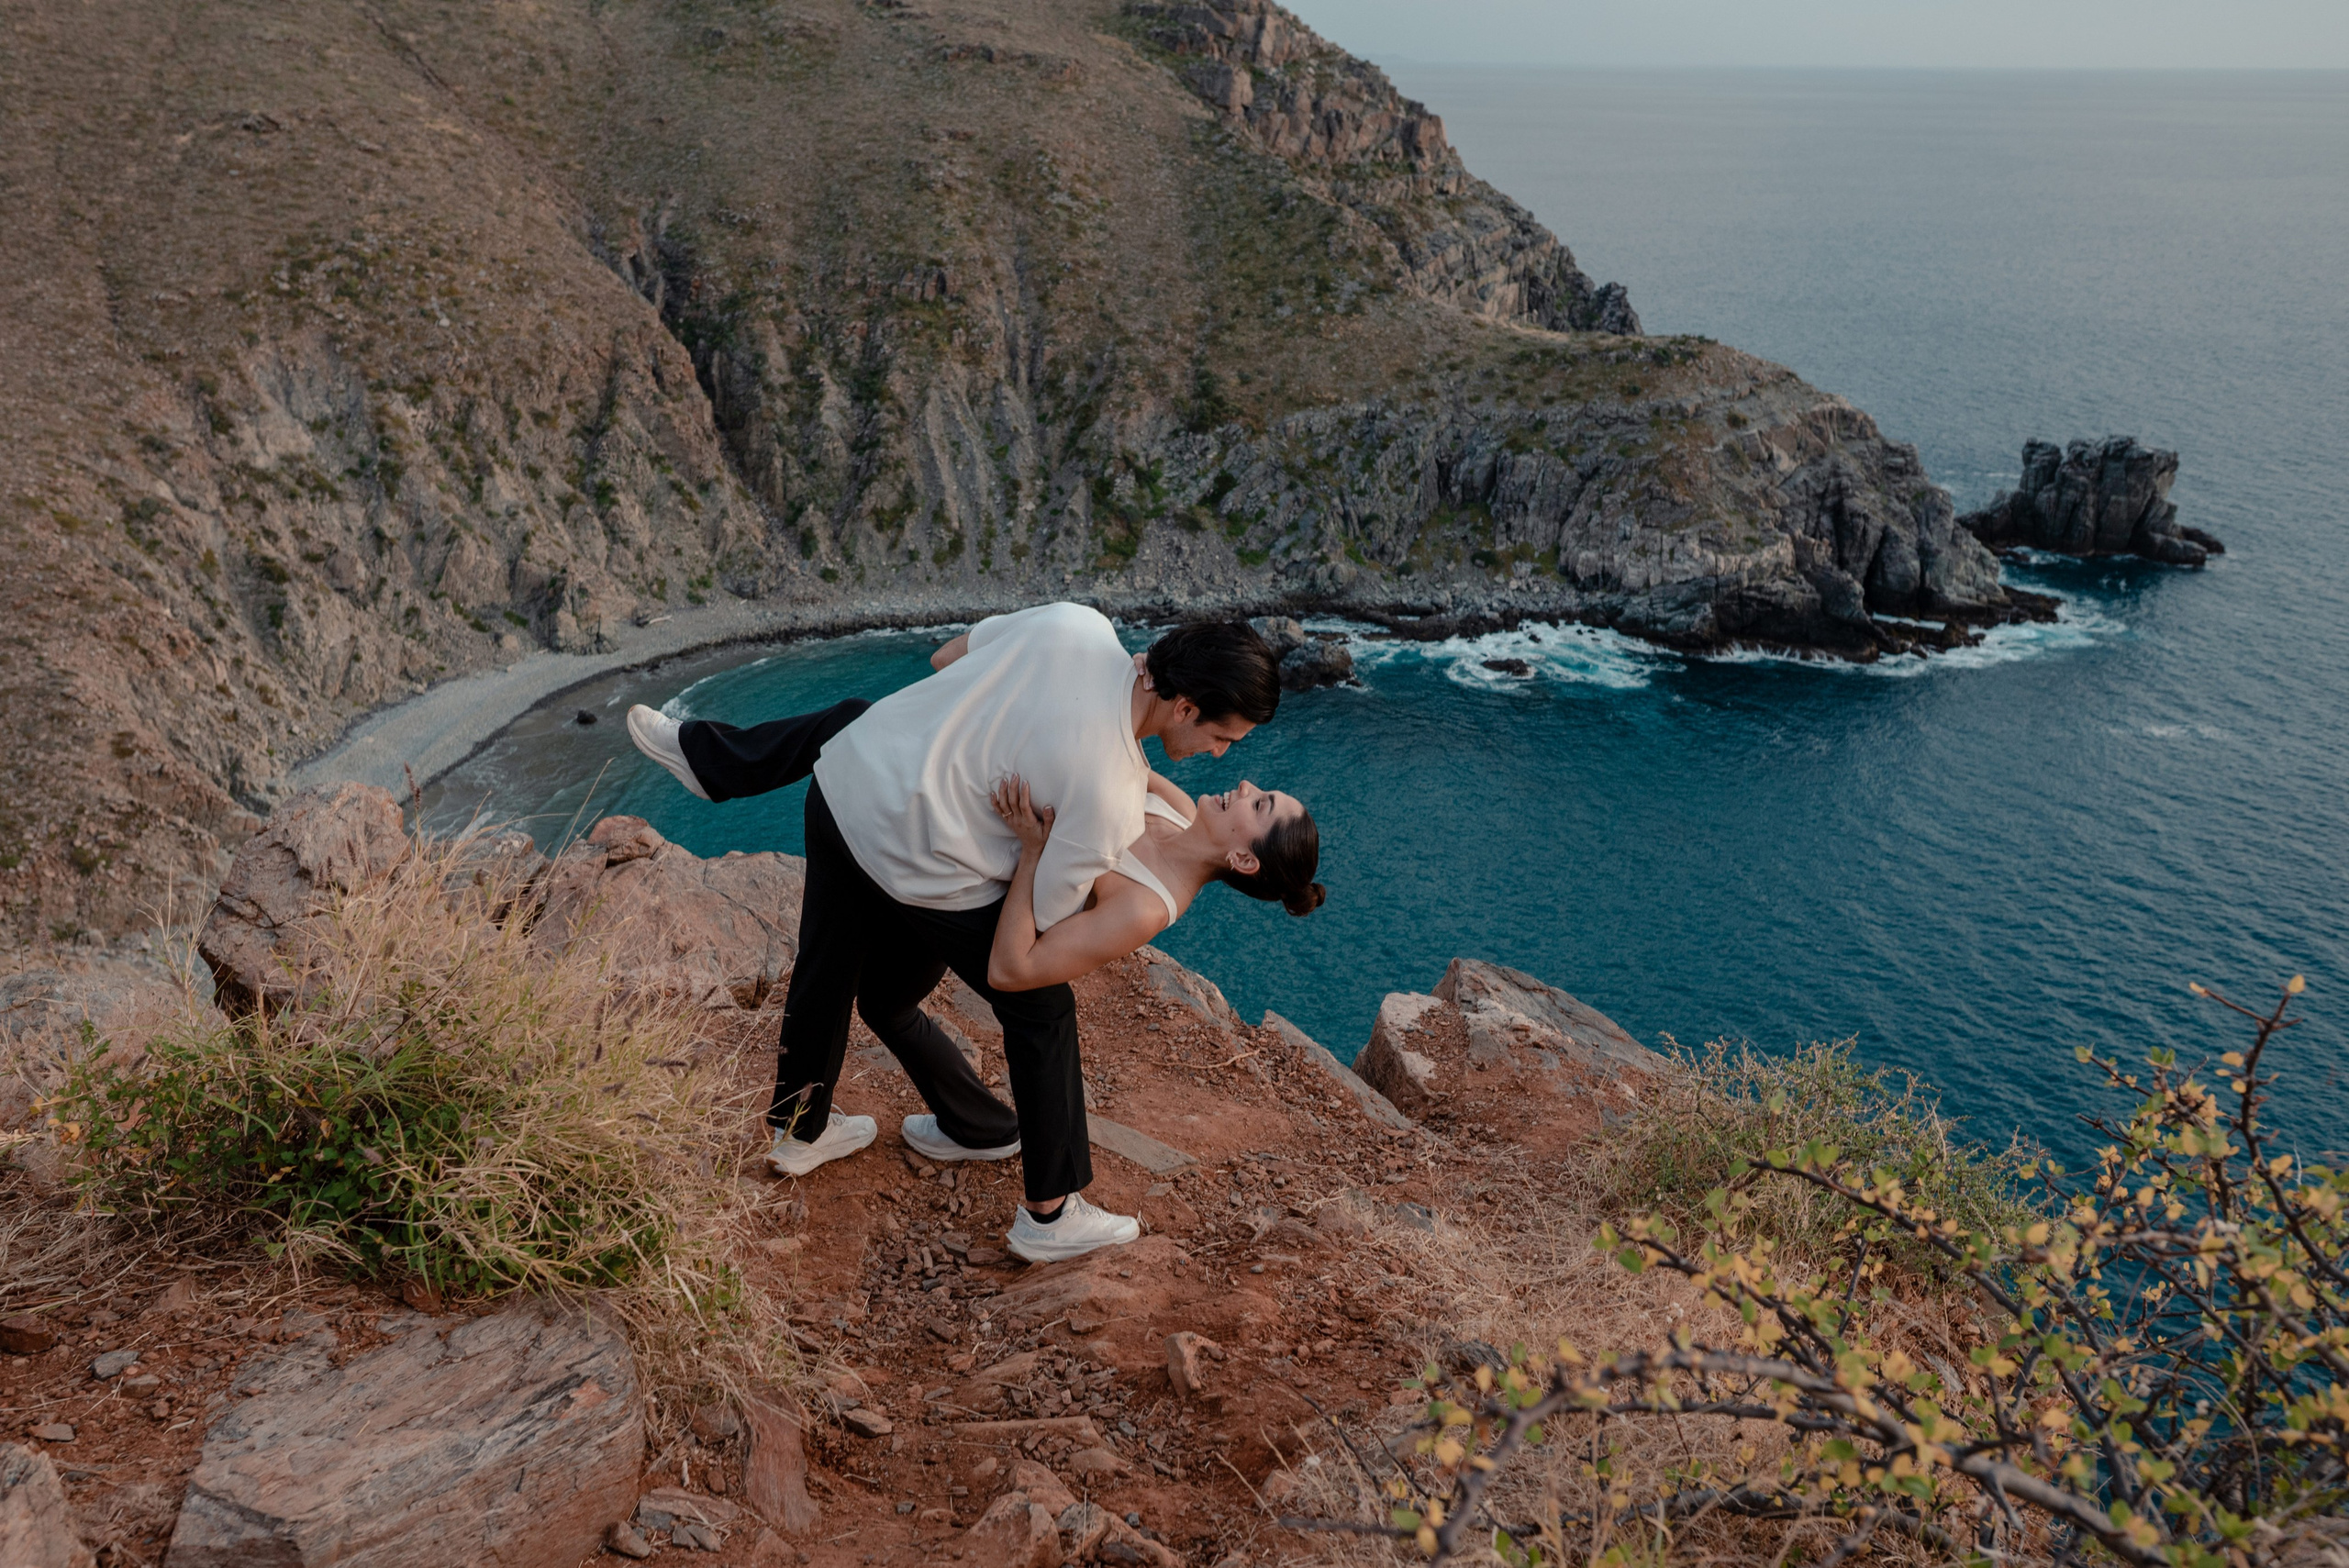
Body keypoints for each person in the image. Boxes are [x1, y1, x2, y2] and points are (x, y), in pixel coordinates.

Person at [624, 604, 1311, 1262]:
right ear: (1187, 707)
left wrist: (976, 745)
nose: (1224, 758)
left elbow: (947, 656)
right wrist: (1036, 838)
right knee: (1042, 1007)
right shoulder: (1110, 799)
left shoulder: (1079, 624)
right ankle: (1051, 1212)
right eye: (1224, 737)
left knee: (835, 957)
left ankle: (802, 1127)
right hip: (915, 856)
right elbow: (1032, 929)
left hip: (844, 783)